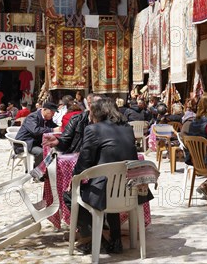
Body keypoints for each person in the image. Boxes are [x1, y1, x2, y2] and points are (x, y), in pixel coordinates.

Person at [64, 97, 139, 255]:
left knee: (70, 196)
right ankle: (116, 239)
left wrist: (73, 179)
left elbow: (84, 161)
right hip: (130, 190)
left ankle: (91, 239)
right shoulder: (127, 128)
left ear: (97, 112)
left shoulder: (93, 129)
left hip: (106, 191)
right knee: (111, 186)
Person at [14, 101, 59, 166]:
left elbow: (53, 126)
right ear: (44, 109)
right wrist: (52, 130)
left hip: (36, 142)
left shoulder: (48, 118)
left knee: (56, 148)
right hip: (25, 143)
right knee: (41, 152)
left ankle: (48, 170)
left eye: (54, 113)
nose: (53, 114)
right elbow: (35, 130)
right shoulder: (32, 117)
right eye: (52, 112)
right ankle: (37, 172)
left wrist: (61, 128)